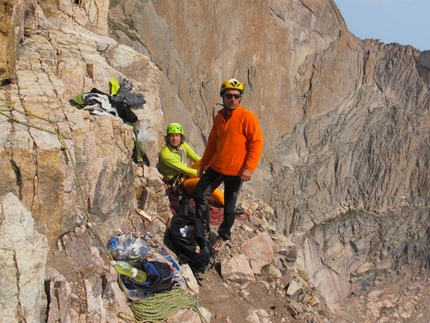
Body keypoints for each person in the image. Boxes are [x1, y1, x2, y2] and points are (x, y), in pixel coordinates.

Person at [193, 78, 264, 242]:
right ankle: (203, 227)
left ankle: (224, 235)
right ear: (222, 97)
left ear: (240, 98)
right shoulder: (219, 118)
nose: (233, 99)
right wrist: (204, 162)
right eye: (229, 95)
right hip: (217, 167)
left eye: (237, 96)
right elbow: (212, 142)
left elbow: (257, 142)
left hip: (236, 171)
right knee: (199, 193)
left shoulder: (247, 117)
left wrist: (249, 168)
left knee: (230, 206)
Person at [157, 123, 224, 205]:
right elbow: (185, 170)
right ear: (168, 138)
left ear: (181, 137)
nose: (175, 139)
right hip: (180, 183)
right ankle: (226, 202)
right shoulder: (165, 154)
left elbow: (198, 159)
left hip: (187, 175)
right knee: (205, 182)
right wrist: (206, 175)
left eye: (177, 135)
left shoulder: (182, 146)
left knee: (208, 162)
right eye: (172, 136)